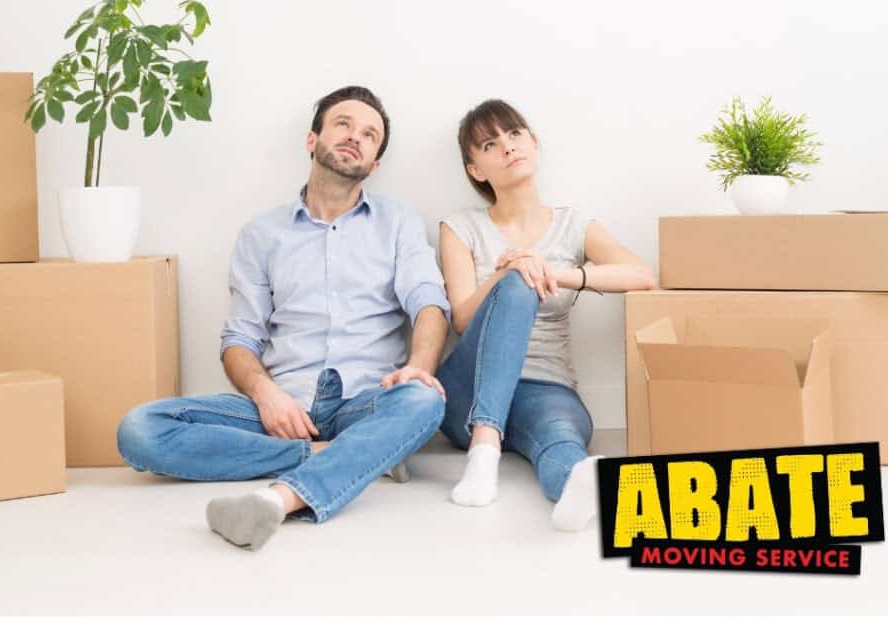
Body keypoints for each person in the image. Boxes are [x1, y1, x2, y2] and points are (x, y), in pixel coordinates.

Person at [116, 86, 450, 551]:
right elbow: (239, 340)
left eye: (370, 135)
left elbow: (429, 303)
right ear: (312, 140)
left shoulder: (398, 223)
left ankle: (281, 498)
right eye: (343, 124)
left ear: (374, 164)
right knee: (139, 429)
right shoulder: (261, 234)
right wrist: (266, 394)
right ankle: (347, 457)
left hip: (368, 402)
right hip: (284, 406)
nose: (355, 136)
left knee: (423, 401)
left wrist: (419, 366)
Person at [436, 99, 655, 531]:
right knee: (517, 280)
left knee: (561, 441)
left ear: (533, 144)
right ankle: (484, 450)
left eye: (515, 134)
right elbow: (461, 318)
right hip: (470, 388)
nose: (507, 146)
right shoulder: (460, 227)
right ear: (476, 169)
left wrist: (555, 273)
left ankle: (579, 489)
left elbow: (642, 275)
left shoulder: (573, 224)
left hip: (546, 384)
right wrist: (508, 273)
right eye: (490, 143)